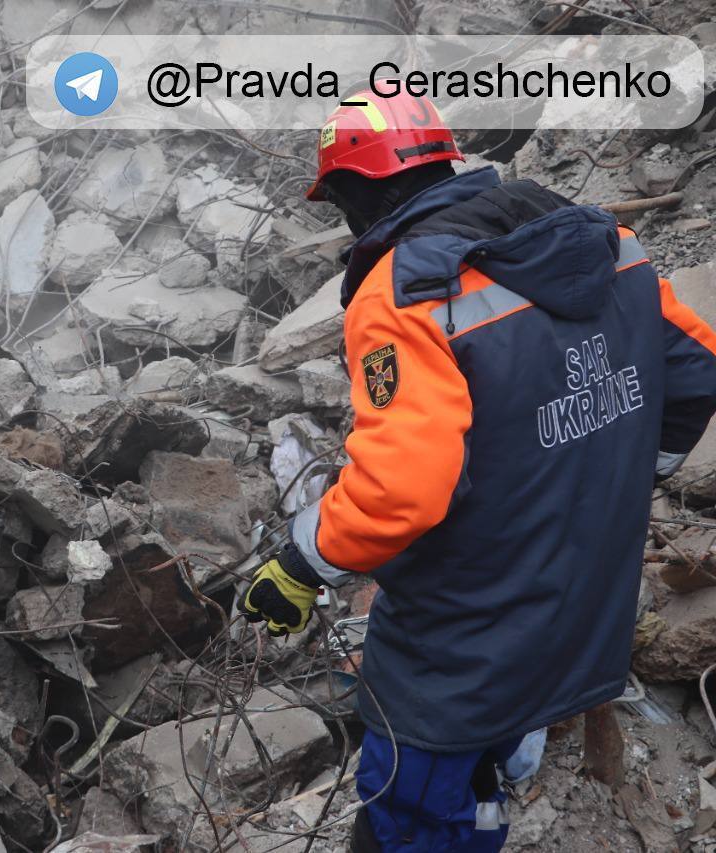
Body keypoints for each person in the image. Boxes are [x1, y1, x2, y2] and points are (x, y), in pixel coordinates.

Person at [239, 89, 716, 851]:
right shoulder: (601, 239)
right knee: (485, 775)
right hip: (587, 601)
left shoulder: (408, 290)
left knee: (412, 806)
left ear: (356, 190)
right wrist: (617, 479)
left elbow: (401, 486)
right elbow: (694, 372)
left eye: (340, 201)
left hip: (464, 632)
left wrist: (303, 562)